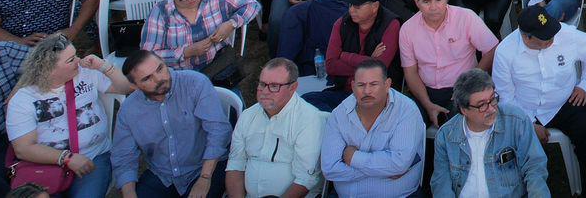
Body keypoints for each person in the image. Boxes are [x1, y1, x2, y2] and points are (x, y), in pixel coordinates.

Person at [490, 5, 586, 193]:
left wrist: (584, 85)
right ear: (526, 37)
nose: (552, 40)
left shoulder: (566, 34)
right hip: (524, 110)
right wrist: (528, 124)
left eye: (552, 34)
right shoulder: (505, 52)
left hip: (565, 102)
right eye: (546, 38)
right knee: (511, 150)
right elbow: (505, 96)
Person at [5, 34, 134, 198]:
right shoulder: (24, 98)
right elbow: (23, 149)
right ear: (49, 69)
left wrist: (104, 66)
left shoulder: (87, 73)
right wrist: (66, 158)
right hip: (45, 164)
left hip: (92, 156)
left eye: (76, 55)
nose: (78, 61)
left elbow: (126, 88)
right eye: (71, 60)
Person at [111, 49, 232, 198]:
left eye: (160, 69)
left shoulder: (195, 83)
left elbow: (218, 131)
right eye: (147, 78)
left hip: (204, 167)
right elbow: (123, 156)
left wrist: (205, 177)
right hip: (163, 175)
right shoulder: (129, 110)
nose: (159, 79)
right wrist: (129, 194)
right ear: (135, 86)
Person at [399, 0, 499, 129]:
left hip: (463, 87)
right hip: (425, 90)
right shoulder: (407, 29)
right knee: (407, 124)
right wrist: (427, 104)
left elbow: (492, 49)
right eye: (426, 1)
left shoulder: (466, 17)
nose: (433, 7)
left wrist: (471, 82)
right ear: (416, 2)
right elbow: (410, 72)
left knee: (458, 126)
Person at [431, 68, 550, 198]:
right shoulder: (446, 135)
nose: (492, 109)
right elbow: (441, 184)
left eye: (493, 99)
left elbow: (534, 168)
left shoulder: (517, 121)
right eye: (482, 105)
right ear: (464, 110)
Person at [319, 59, 426, 197]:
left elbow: (399, 164)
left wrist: (353, 158)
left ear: (387, 84)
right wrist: (385, 169)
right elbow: (330, 169)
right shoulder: (339, 114)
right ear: (353, 86)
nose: (367, 91)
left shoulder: (406, 110)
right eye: (361, 85)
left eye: (373, 84)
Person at [140, 0, 261, 85]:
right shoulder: (161, 11)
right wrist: (186, 52)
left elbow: (252, 4)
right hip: (179, 74)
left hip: (218, 65)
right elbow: (148, 54)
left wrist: (232, 24)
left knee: (228, 97)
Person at [225, 58, 326, 198]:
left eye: (274, 86)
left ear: (293, 88)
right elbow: (235, 165)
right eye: (262, 84)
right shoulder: (248, 116)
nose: (265, 92)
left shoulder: (309, 119)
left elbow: (305, 179)